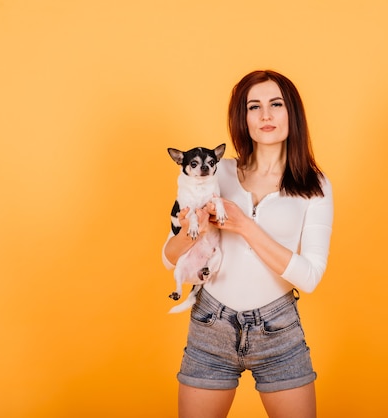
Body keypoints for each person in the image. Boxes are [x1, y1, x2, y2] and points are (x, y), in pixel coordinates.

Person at [162, 70, 334, 418]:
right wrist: (187, 232)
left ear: (292, 113)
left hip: (279, 331)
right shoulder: (214, 172)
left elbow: (311, 277)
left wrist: (244, 226)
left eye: (276, 104)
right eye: (254, 106)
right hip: (210, 325)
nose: (265, 115)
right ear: (243, 118)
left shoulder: (314, 185)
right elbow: (168, 257)